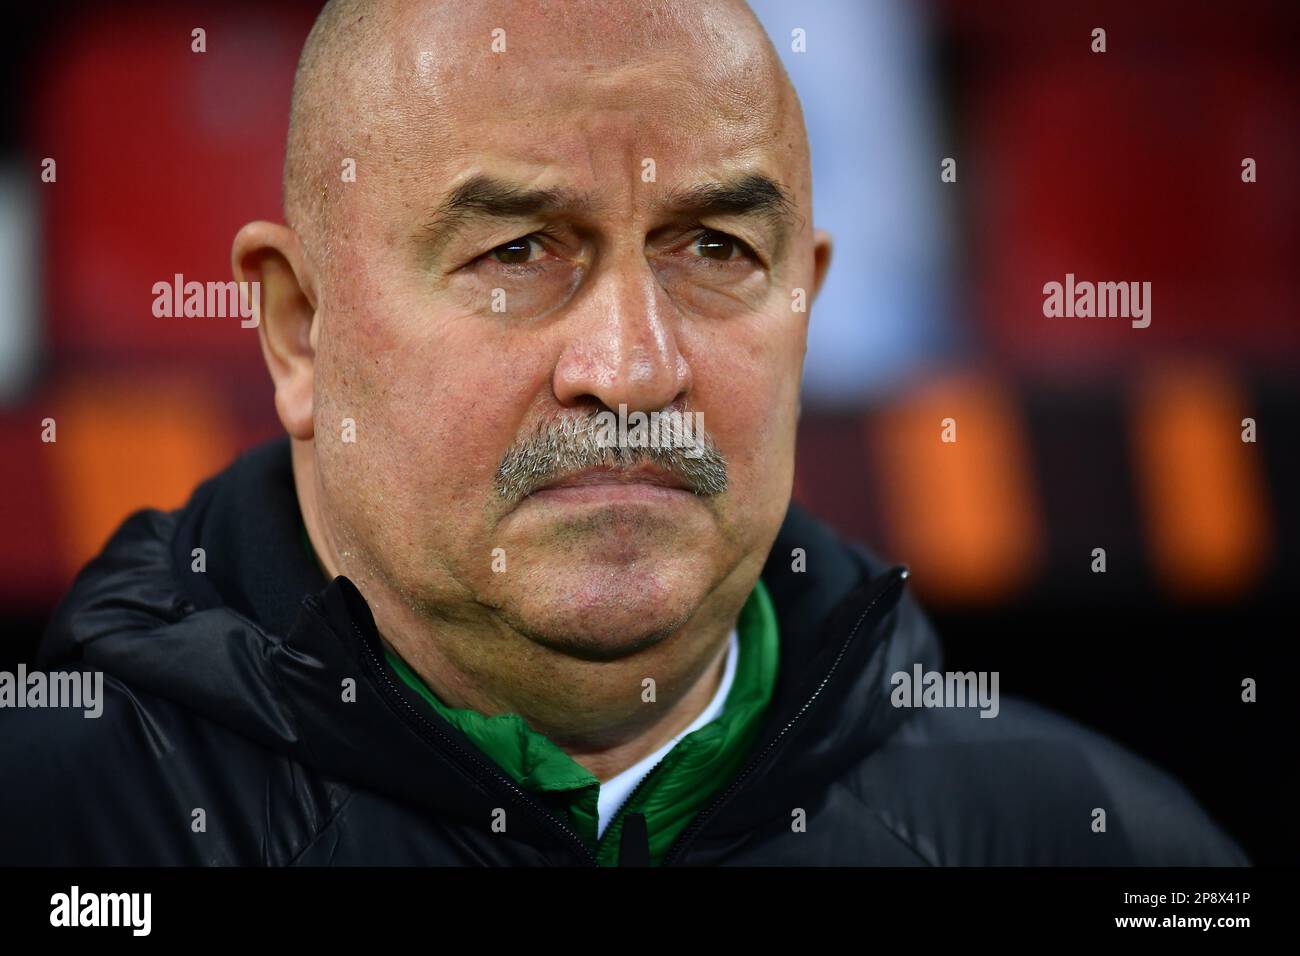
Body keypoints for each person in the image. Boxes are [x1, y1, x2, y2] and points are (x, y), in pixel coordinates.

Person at [0, 0, 1245, 866]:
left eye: (715, 250)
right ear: (299, 329)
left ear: (802, 302)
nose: (632, 368)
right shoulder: (51, 820)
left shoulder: (1101, 842)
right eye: (519, 251)